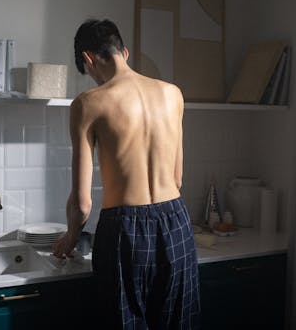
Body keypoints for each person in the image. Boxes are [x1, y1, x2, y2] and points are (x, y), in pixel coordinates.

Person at [53, 19, 200, 329]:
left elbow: (82, 204)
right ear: (125, 53)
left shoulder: (88, 104)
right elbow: (177, 179)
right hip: (176, 223)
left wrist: (70, 236)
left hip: (125, 230)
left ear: (88, 59)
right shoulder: (173, 94)